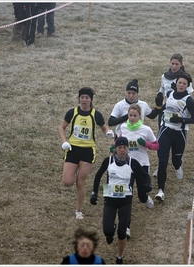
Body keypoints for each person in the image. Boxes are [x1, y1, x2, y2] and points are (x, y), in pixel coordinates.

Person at [90, 136, 152, 265]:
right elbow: (97, 176)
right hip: (110, 199)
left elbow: (145, 175)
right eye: (120, 148)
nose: (122, 150)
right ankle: (110, 230)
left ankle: (119, 256)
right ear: (115, 149)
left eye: (124, 148)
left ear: (127, 149)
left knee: (122, 232)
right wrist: (94, 193)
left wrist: (148, 185)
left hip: (126, 200)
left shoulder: (132, 163)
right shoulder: (109, 161)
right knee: (108, 230)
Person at [58, 87, 114, 220]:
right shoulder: (73, 112)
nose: (84, 100)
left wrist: (108, 133)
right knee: (67, 182)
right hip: (72, 149)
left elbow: (104, 127)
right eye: (82, 97)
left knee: (80, 182)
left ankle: (79, 210)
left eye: (87, 98)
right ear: (79, 98)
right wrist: (64, 141)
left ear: (90, 100)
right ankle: (74, 170)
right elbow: (61, 127)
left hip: (88, 151)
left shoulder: (95, 114)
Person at [112, 104, 158, 239]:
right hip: (127, 165)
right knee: (127, 197)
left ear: (140, 116)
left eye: (134, 116)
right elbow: (119, 141)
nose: (132, 118)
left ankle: (146, 198)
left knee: (141, 195)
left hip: (142, 165)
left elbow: (156, 145)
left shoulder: (146, 129)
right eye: (130, 115)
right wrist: (113, 147)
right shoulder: (123, 127)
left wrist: (146, 144)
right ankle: (126, 227)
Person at [154, 72, 194, 202]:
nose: (181, 85)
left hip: (179, 134)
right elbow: (165, 109)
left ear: (187, 86)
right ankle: (161, 190)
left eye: (184, 84)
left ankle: (178, 166)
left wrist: (181, 120)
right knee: (162, 161)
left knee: (175, 161)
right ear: (176, 83)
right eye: (180, 82)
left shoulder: (189, 100)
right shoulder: (169, 94)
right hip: (165, 130)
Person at [152, 53, 194, 178]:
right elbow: (162, 89)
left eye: (177, 64)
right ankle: (161, 165)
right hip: (166, 111)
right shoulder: (164, 77)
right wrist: (159, 97)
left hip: (180, 112)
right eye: (172, 63)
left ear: (181, 65)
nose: (174, 66)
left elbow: (189, 96)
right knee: (162, 138)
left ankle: (178, 162)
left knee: (179, 139)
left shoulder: (184, 79)